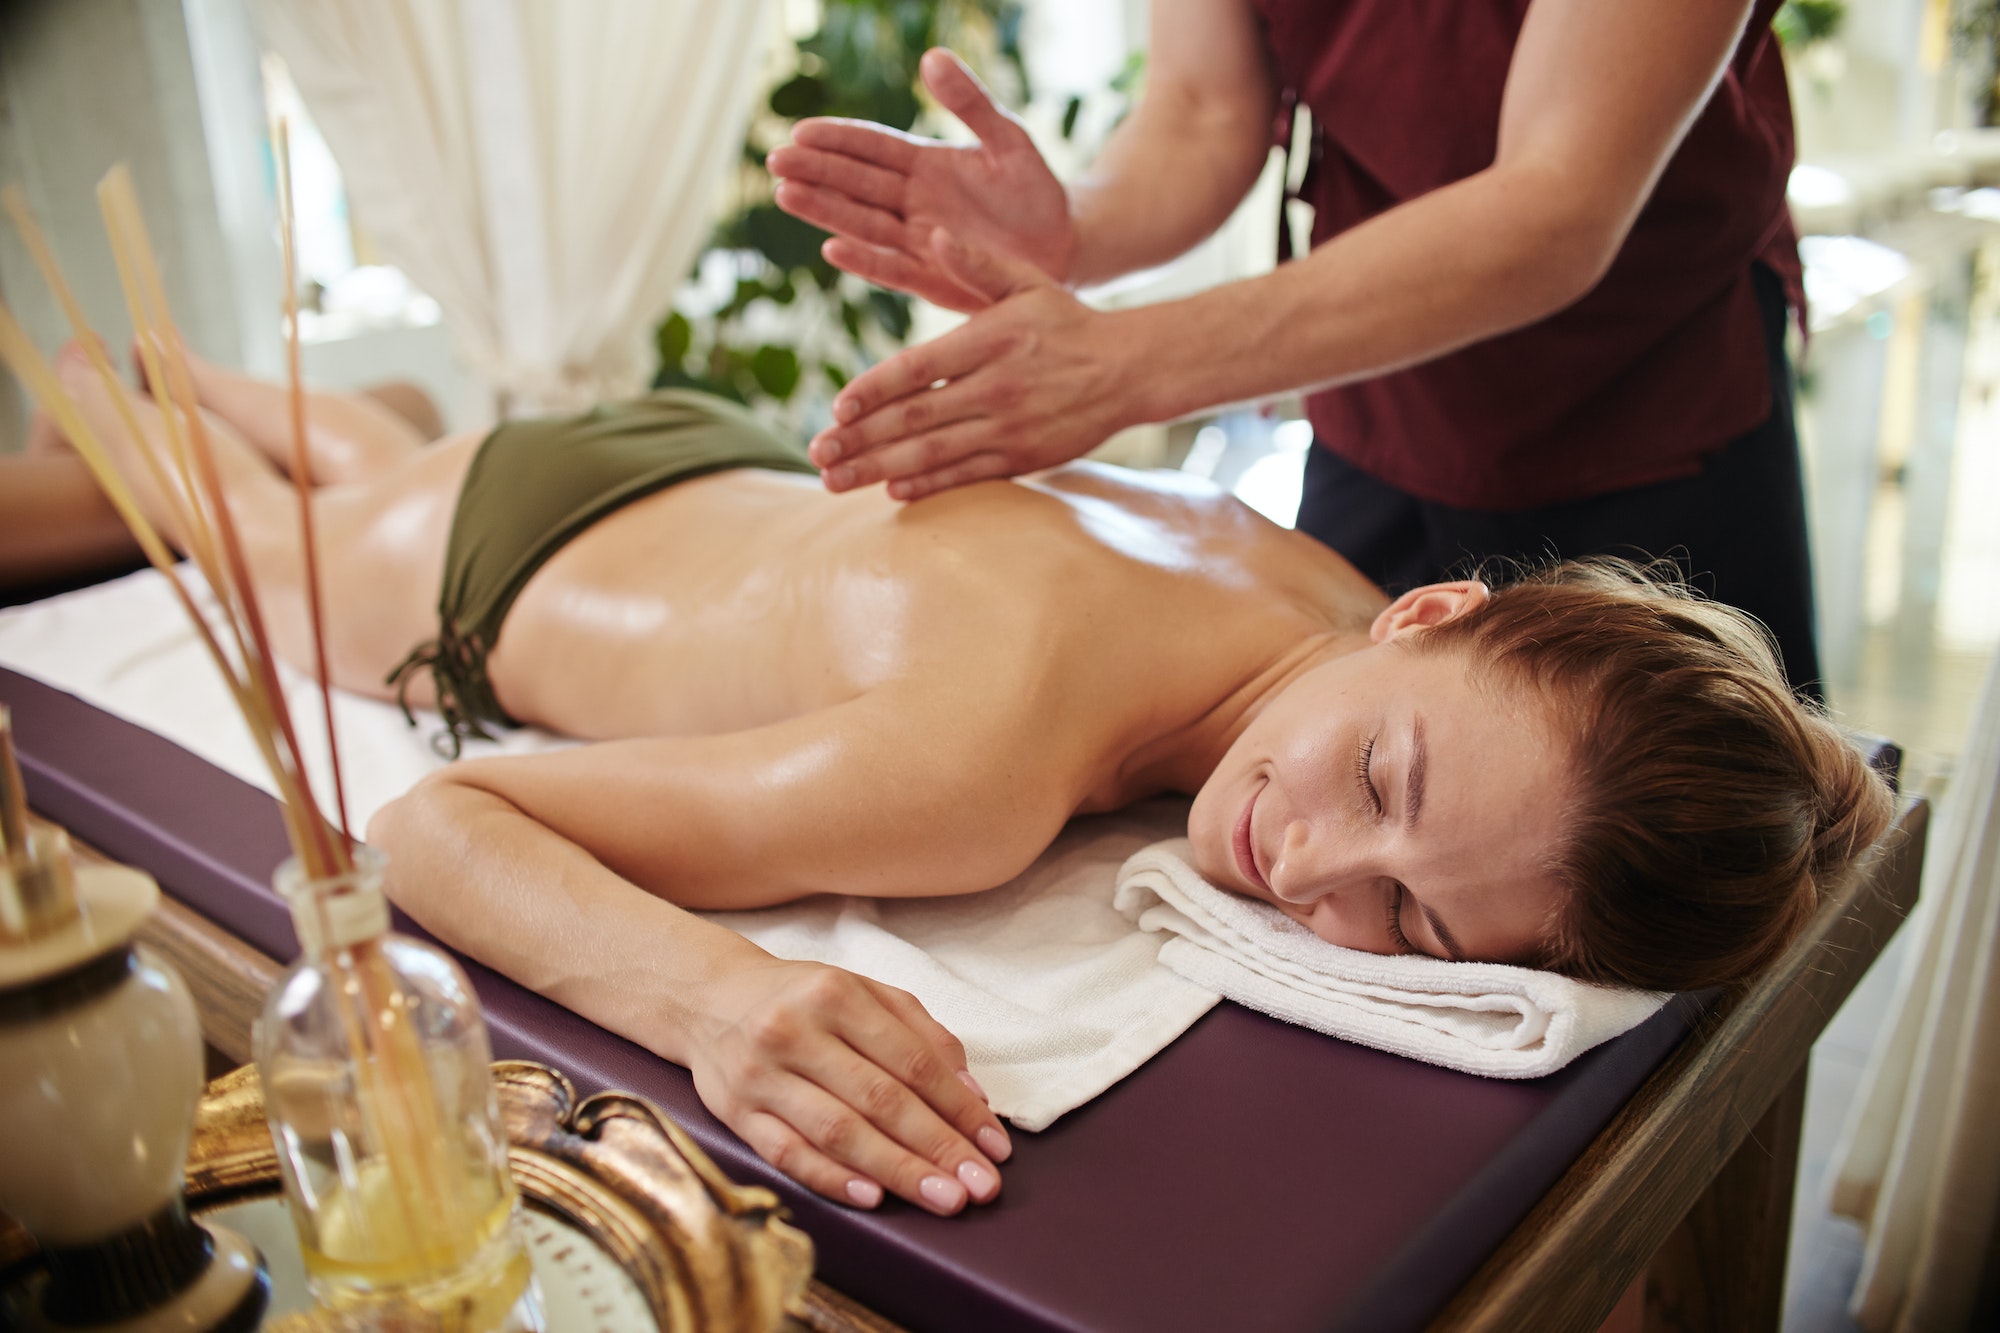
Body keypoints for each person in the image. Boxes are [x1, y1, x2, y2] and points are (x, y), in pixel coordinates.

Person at [41, 346, 1889, 1220]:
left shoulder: (1308, 591)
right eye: (1380, 777)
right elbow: (432, 826)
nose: (1308, 860)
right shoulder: (973, 769)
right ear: (1428, 610)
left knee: (364, 436)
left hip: (707, 458)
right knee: (181, 499)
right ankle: (104, 368)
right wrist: (718, 998)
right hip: (504, 557)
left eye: (1404, 915)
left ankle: (202, 369)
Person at [765, 0, 1824, 695]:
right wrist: (1074, 228)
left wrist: (1119, 367)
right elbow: (1199, 109)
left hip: (1647, 403)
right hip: (1380, 398)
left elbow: (1552, 204)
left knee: (1678, 905)